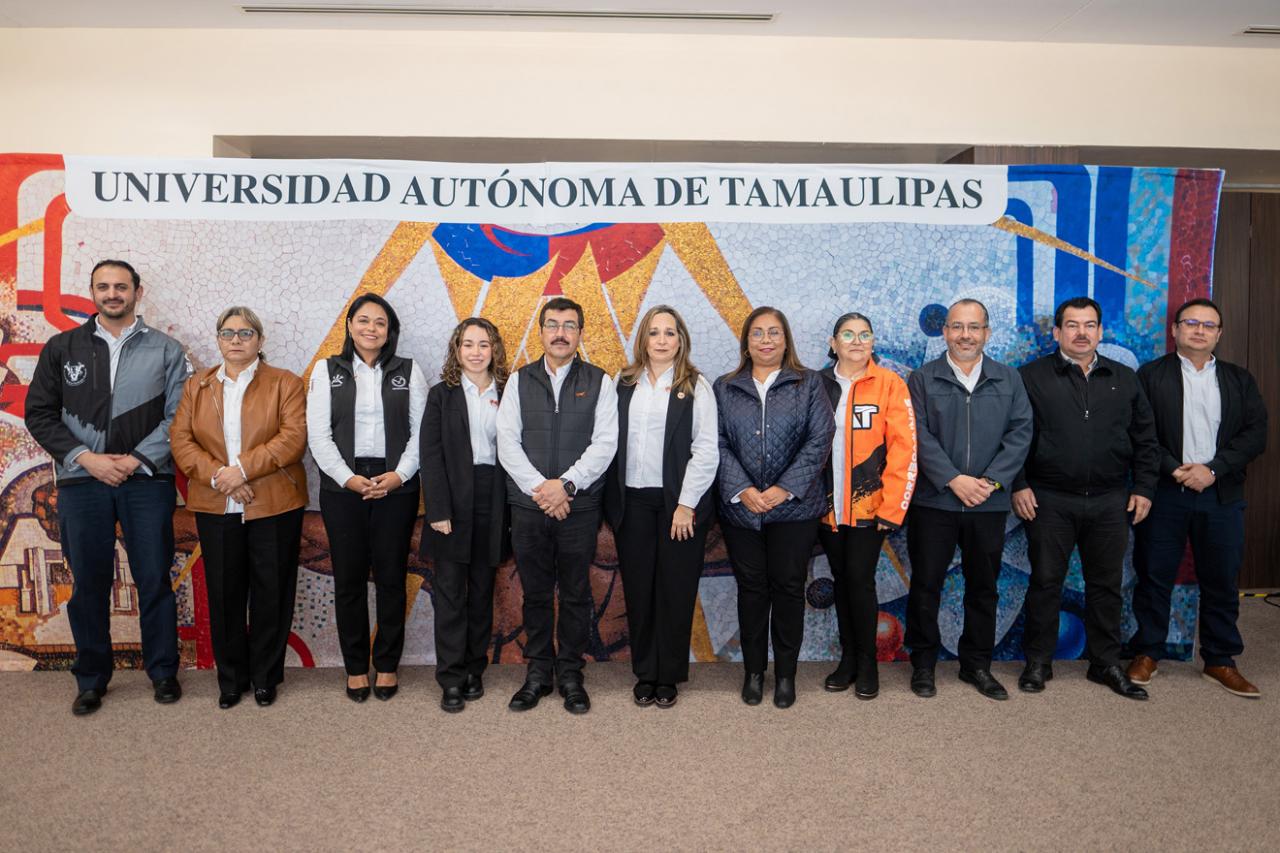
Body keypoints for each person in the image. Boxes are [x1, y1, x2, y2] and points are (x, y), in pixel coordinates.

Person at [24, 259, 189, 716]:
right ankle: (92, 678)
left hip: (147, 480)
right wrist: (87, 458)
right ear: (93, 292)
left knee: (154, 578)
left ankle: (163, 672)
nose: (112, 293)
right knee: (89, 583)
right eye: (103, 286)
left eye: (121, 286)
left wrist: (136, 459)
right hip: (82, 480)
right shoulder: (62, 347)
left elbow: (180, 417)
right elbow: (39, 413)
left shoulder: (166, 349)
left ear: (138, 291)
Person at [1012, 296, 1159, 700]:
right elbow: (1014, 435)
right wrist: (1019, 483)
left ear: (1100, 331)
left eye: (1089, 325)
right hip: (1048, 499)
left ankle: (1105, 662)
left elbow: (1146, 440)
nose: (1081, 333)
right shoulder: (1030, 376)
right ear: (1056, 332)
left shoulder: (1125, 378)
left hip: (1111, 500)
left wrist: (1144, 488)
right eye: (1072, 325)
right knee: (1045, 583)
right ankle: (1038, 661)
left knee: (1106, 585)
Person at [1129, 298, 1268, 698]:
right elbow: (1140, 433)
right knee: (1154, 575)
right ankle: (1147, 652)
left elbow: (1255, 435)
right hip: (1166, 492)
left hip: (1220, 493)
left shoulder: (1239, 379)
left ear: (1219, 334)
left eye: (1208, 325)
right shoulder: (1150, 376)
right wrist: (1175, 469)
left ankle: (1220, 659)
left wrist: (1213, 469)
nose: (1199, 330)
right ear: (1175, 330)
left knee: (1221, 578)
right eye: (1191, 323)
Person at [170, 306, 308, 708]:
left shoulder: (285, 383)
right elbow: (181, 440)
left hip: (275, 502)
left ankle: (266, 677)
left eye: (245, 333)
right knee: (224, 594)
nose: (236, 340)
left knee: (272, 593)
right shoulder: (197, 386)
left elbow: (292, 438)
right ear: (218, 340)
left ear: (260, 341)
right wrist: (220, 476)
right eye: (227, 333)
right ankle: (231, 679)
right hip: (216, 503)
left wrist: (242, 471)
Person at [904, 299, 1031, 701]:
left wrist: (990, 482)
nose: (965, 335)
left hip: (987, 504)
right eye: (957, 327)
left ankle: (976, 664)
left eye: (974, 327)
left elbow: (1021, 433)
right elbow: (917, 435)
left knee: (984, 587)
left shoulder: (1009, 379)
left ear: (987, 333)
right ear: (945, 332)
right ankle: (923, 664)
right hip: (935, 502)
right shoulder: (922, 378)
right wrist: (953, 479)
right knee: (926, 585)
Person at [496, 296, 618, 714]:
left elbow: (605, 443)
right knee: (534, 592)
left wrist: (565, 486)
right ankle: (537, 672)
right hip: (529, 506)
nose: (560, 333)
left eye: (568, 325)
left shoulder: (600, 381)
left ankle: (570, 673)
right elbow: (507, 443)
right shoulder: (519, 381)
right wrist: (543, 490)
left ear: (580, 333)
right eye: (552, 324)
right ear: (541, 331)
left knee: (576, 592)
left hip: (578, 507)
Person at [307, 294, 427, 702]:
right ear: (350, 325)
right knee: (350, 579)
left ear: (390, 331)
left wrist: (398, 475)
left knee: (392, 577)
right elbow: (318, 435)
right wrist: (348, 479)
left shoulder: (408, 371)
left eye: (380, 322)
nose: (371, 328)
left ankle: (388, 664)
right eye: (363, 320)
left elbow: (420, 432)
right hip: (343, 486)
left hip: (397, 484)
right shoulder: (327, 371)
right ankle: (356, 667)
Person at [715, 306, 834, 709]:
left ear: (786, 341)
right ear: (746, 342)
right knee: (751, 590)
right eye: (758, 333)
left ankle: (785, 674)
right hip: (742, 510)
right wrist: (743, 489)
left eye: (774, 333)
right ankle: (753, 672)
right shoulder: (725, 387)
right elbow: (716, 442)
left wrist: (784, 489)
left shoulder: (809, 383)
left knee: (787, 588)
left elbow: (820, 438)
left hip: (795, 511)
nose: (766, 340)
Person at [605, 305, 718, 709]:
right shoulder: (623, 382)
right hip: (632, 502)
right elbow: (608, 441)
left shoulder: (696, 386)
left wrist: (686, 505)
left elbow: (706, 450)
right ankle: (645, 672)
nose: (662, 340)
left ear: (681, 340)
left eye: (670, 332)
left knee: (675, 588)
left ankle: (667, 674)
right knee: (639, 589)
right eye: (654, 332)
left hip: (678, 505)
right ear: (643, 339)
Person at [817, 312, 918, 701]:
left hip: (869, 509)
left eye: (864, 334)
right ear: (834, 343)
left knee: (859, 581)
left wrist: (892, 508)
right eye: (848, 334)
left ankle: (867, 663)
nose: (856, 341)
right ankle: (847, 660)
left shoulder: (890, 384)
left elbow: (904, 450)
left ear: (873, 342)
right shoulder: (817, 384)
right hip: (826, 509)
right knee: (842, 581)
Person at [420, 317, 512, 713]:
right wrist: (438, 509)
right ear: (457, 350)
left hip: (494, 498)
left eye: (484, 344)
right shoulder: (441, 395)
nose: (476, 352)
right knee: (451, 595)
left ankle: (475, 668)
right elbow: (430, 455)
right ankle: (451, 677)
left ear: (495, 350)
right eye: (468, 344)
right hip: (452, 499)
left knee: (481, 591)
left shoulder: (509, 392)